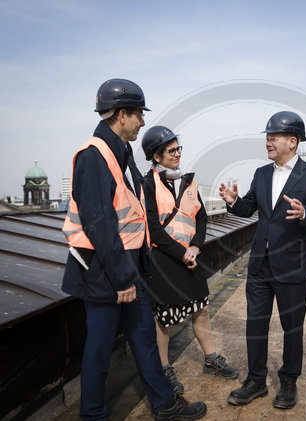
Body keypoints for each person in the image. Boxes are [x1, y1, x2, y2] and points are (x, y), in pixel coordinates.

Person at [61, 79, 206, 421]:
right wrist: (123, 277)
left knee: (143, 339)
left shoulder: (121, 154)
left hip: (129, 268)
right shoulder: (94, 156)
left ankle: (164, 405)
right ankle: (93, 415)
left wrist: (133, 272)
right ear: (122, 114)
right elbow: (99, 225)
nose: (143, 122)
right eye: (139, 114)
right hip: (104, 270)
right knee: (99, 351)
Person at [219, 111, 306, 409]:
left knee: (291, 327)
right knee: (255, 324)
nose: (268, 142)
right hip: (260, 264)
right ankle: (256, 380)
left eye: (274, 137)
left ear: (292, 142)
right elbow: (249, 209)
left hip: (294, 266)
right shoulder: (261, 174)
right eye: (267, 137)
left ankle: (288, 382)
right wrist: (233, 202)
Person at [141, 125, 239, 394]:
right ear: (156, 157)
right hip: (163, 259)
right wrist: (181, 252)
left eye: (178, 149)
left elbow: (201, 217)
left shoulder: (188, 181)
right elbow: (153, 226)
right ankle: (164, 370)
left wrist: (195, 247)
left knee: (201, 308)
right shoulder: (147, 184)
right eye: (171, 151)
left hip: (190, 256)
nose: (177, 155)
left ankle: (211, 359)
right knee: (164, 318)